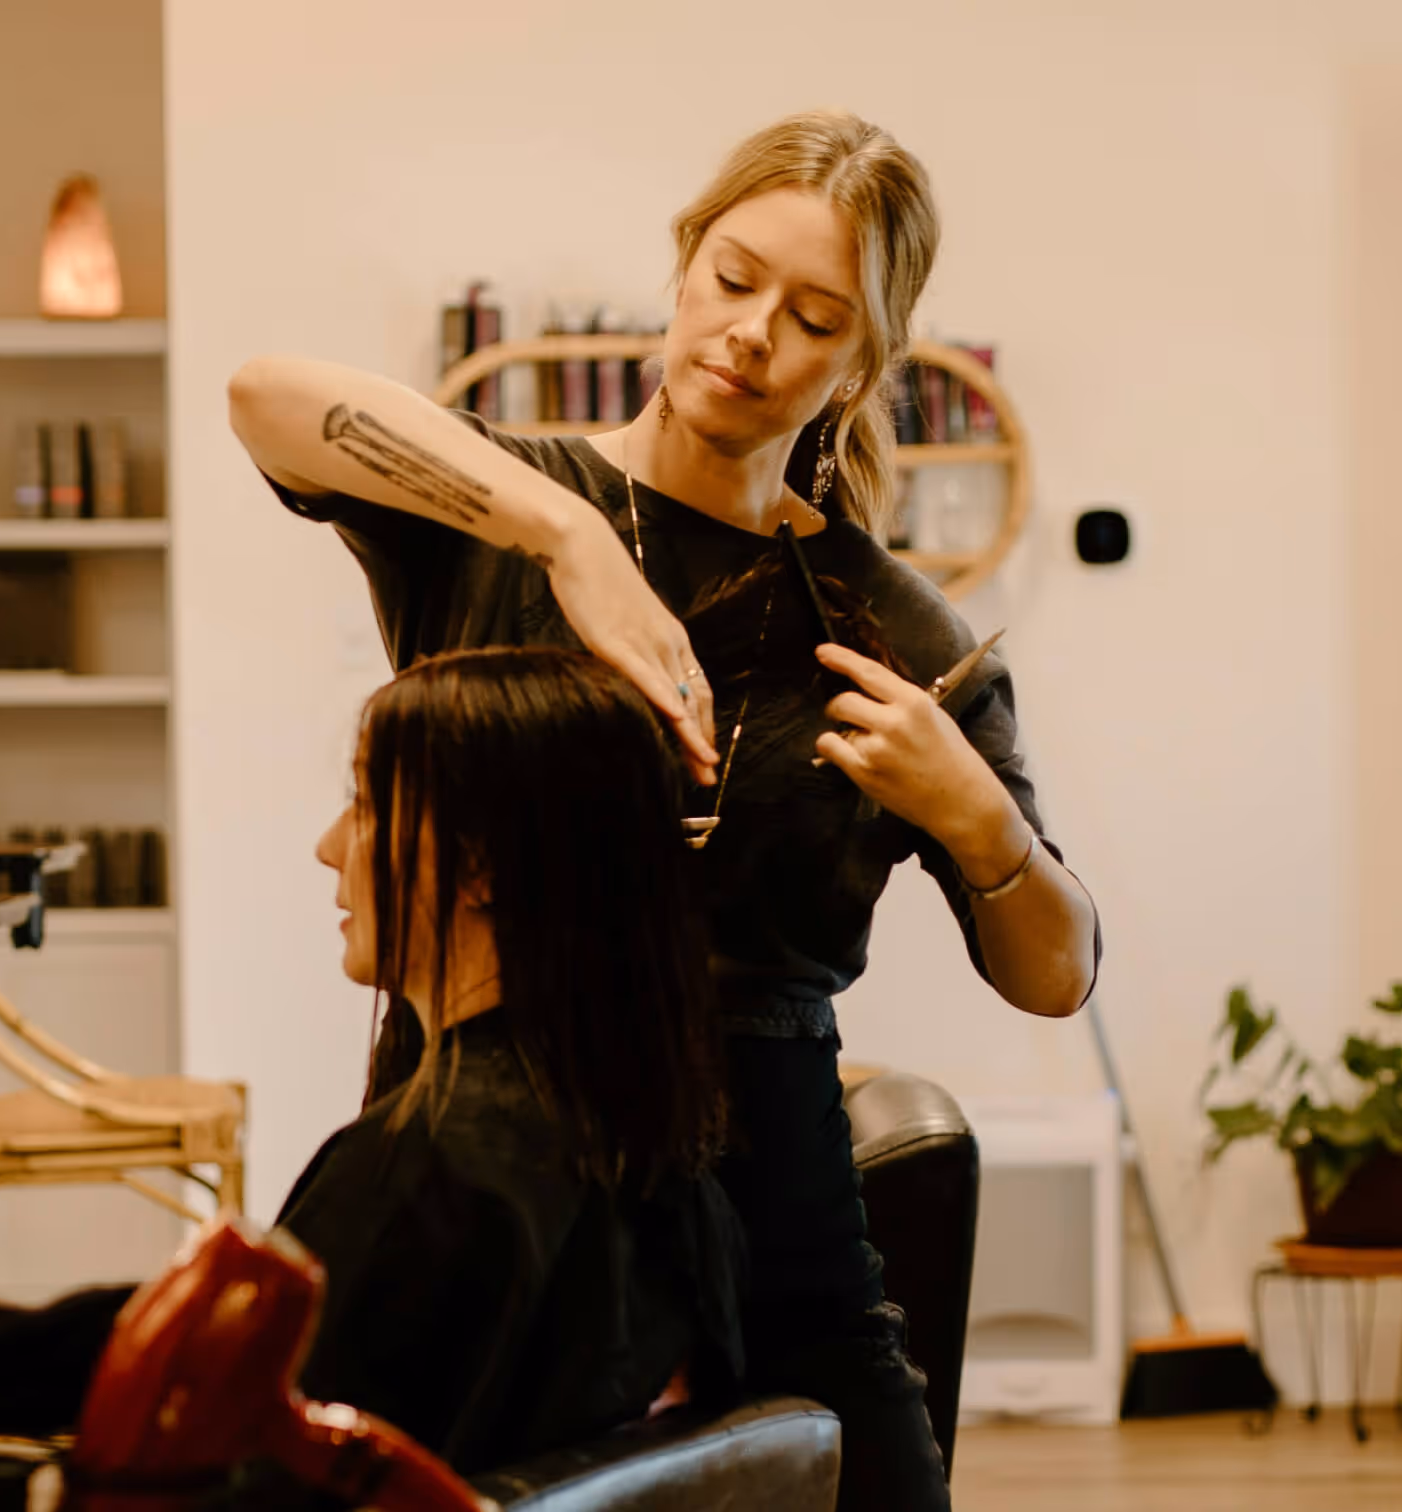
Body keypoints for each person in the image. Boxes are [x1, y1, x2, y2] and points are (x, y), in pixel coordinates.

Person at [228, 108, 1101, 1510]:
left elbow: (1057, 975)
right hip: (495, 1198)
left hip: (772, 1212)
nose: (755, 333)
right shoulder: (505, 511)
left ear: (861, 362)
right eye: (735, 278)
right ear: (686, 261)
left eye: (815, 318)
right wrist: (564, 536)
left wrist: (978, 816)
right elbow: (268, 395)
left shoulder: (894, 630)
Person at [273, 646, 744, 1477]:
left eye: (364, 803)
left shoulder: (419, 1171)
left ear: (481, 863)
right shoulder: (663, 1153)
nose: (328, 846)